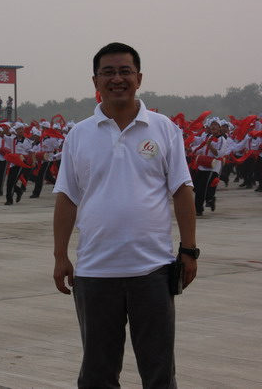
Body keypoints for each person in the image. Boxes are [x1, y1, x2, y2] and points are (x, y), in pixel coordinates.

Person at [53, 42, 197, 388]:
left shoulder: (163, 129)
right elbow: (67, 198)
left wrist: (189, 250)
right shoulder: (79, 135)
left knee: (159, 372)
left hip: (152, 271)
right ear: (95, 81)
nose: (117, 79)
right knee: (97, 374)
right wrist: (60, 256)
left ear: (139, 78)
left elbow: (182, 190)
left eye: (125, 71)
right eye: (108, 72)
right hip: (94, 272)